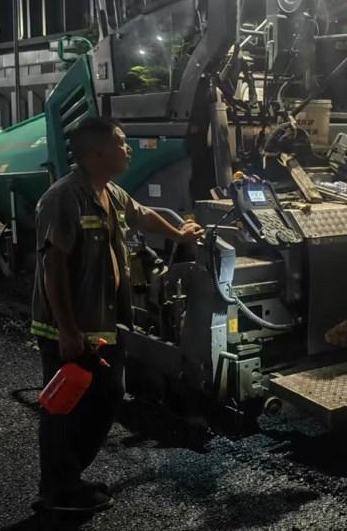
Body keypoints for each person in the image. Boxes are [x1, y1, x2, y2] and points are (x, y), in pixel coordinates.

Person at [30, 117, 203, 511]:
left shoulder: (109, 192)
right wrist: (67, 330)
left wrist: (179, 234)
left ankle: (69, 477)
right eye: (121, 143)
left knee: (106, 395)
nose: (128, 149)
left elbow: (143, 214)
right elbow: (53, 267)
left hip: (105, 322)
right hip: (72, 326)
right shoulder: (63, 198)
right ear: (96, 153)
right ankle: (57, 490)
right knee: (64, 405)